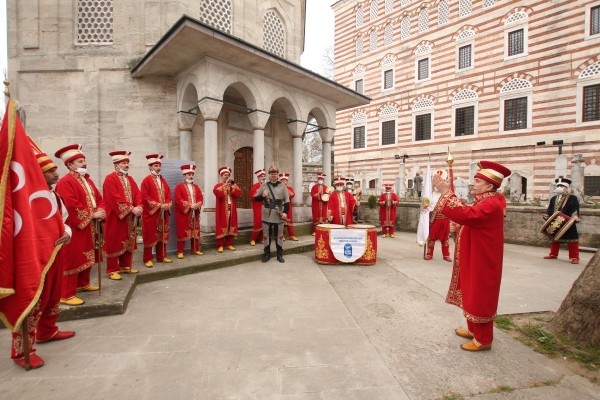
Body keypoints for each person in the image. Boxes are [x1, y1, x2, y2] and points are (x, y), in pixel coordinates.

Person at [431, 160, 511, 352]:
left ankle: (483, 340)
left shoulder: (491, 203)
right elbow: (472, 219)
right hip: (475, 255)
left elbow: (469, 215)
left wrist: (446, 192)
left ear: (489, 186)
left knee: (480, 295)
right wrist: (460, 226)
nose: (472, 184)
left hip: (482, 260)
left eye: (477, 181)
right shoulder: (484, 201)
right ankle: (474, 330)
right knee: (471, 292)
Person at [11, 151, 75, 369]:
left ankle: (47, 330)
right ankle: (22, 351)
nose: (56, 174)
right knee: (33, 300)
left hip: (55, 252)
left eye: (55, 170)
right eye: (50, 171)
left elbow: (64, 219)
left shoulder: (54, 195)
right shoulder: (25, 198)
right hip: (35, 255)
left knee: (52, 295)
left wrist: (67, 232)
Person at [54, 144, 105, 306]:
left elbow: (98, 198)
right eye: (80, 161)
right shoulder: (65, 181)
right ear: (70, 165)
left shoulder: (87, 180)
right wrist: (92, 215)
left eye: (84, 160)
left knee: (88, 255)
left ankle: (83, 284)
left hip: (90, 225)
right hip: (75, 226)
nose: (84, 163)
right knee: (73, 257)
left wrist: (101, 210)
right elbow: (71, 205)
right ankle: (66, 294)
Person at [102, 151, 143, 280]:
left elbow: (137, 194)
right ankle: (111, 269)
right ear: (116, 165)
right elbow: (114, 198)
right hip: (115, 216)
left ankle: (125, 265)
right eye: (124, 163)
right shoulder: (110, 178)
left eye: (127, 163)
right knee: (114, 240)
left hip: (130, 216)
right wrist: (131, 208)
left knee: (128, 239)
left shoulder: (130, 179)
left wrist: (139, 206)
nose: (126, 165)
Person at [140, 154, 172, 267]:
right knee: (150, 235)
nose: (158, 168)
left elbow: (168, 194)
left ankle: (161, 256)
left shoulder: (163, 181)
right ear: (150, 167)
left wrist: (167, 204)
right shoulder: (146, 180)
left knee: (162, 234)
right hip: (151, 213)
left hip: (163, 213)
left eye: (159, 166)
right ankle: (147, 259)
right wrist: (159, 205)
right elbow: (144, 197)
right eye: (156, 166)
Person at [254, 163, 290, 263]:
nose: (273, 175)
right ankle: (266, 254)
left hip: (279, 213)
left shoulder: (283, 186)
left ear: (277, 174)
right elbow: (256, 199)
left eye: (275, 173)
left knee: (279, 236)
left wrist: (285, 212)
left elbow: (287, 201)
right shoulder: (264, 185)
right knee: (266, 235)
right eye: (271, 174)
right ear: (269, 175)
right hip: (267, 213)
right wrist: (262, 196)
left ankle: (279, 254)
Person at [543, 177, 580, 264]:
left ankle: (575, 257)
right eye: (558, 186)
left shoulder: (572, 198)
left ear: (567, 188)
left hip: (568, 221)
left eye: (562, 186)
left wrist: (575, 216)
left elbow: (575, 208)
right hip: (556, 221)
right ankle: (553, 254)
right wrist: (548, 216)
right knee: (554, 238)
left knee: (572, 239)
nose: (560, 187)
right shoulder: (553, 198)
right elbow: (550, 209)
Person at [175, 164, 204, 259]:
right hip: (184, 213)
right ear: (184, 175)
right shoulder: (179, 187)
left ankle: (195, 249)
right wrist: (189, 205)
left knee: (195, 231)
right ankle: (180, 251)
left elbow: (200, 198)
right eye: (189, 174)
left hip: (195, 212)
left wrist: (197, 204)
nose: (191, 176)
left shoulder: (196, 187)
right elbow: (178, 200)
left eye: (192, 174)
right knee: (182, 231)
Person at [213, 166, 242, 252]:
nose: (227, 176)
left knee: (231, 226)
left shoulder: (232, 185)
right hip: (222, 209)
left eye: (228, 175)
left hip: (231, 209)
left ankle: (229, 244)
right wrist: (225, 185)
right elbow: (217, 193)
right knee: (221, 225)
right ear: (221, 176)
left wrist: (233, 185)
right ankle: (220, 245)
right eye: (225, 175)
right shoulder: (218, 186)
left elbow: (238, 193)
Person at [426, 169, 452, 261]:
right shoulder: (429, 194)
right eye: (436, 182)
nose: (438, 184)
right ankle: (429, 253)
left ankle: (446, 255)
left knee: (445, 239)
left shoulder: (448, 194)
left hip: (445, 219)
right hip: (433, 219)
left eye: (441, 181)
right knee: (432, 238)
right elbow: (425, 207)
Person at [249, 169, 266, 246]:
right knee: (258, 222)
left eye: (264, 176)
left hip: (265, 206)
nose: (263, 177)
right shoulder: (255, 186)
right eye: (261, 176)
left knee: (265, 223)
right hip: (257, 206)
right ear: (258, 177)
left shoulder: (266, 186)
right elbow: (252, 197)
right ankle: (253, 239)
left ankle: (261, 238)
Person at [279, 172, 298, 241]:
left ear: (287, 181)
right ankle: (282, 235)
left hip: (288, 206)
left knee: (289, 220)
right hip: (281, 206)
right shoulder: (278, 188)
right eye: (283, 180)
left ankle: (292, 235)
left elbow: (292, 195)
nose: (284, 182)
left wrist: (286, 189)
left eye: (285, 180)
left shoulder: (290, 188)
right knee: (281, 221)